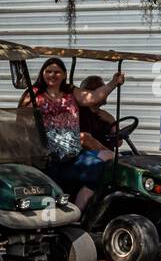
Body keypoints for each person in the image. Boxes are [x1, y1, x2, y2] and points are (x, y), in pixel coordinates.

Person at [18, 57, 124, 210]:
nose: (52, 75)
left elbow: (92, 98)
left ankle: (78, 215)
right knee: (87, 143)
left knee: (106, 163)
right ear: (42, 73)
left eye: (57, 72)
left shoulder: (70, 91)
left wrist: (113, 83)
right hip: (49, 155)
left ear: (64, 75)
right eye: (49, 71)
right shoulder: (34, 94)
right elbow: (21, 122)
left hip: (72, 153)